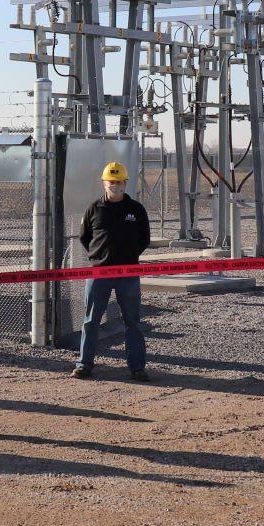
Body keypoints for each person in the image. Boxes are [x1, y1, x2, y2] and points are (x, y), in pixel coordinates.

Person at [72, 161, 153, 381]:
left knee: (132, 322)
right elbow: (85, 237)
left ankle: (137, 368)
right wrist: (99, 257)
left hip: (128, 274)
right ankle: (84, 365)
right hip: (99, 274)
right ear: (104, 183)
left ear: (125, 183)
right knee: (91, 321)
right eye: (111, 182)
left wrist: (129, 257)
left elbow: (144, 238)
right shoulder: (94, 209)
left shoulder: (136, 210)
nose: (114, 185)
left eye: (118, 182)